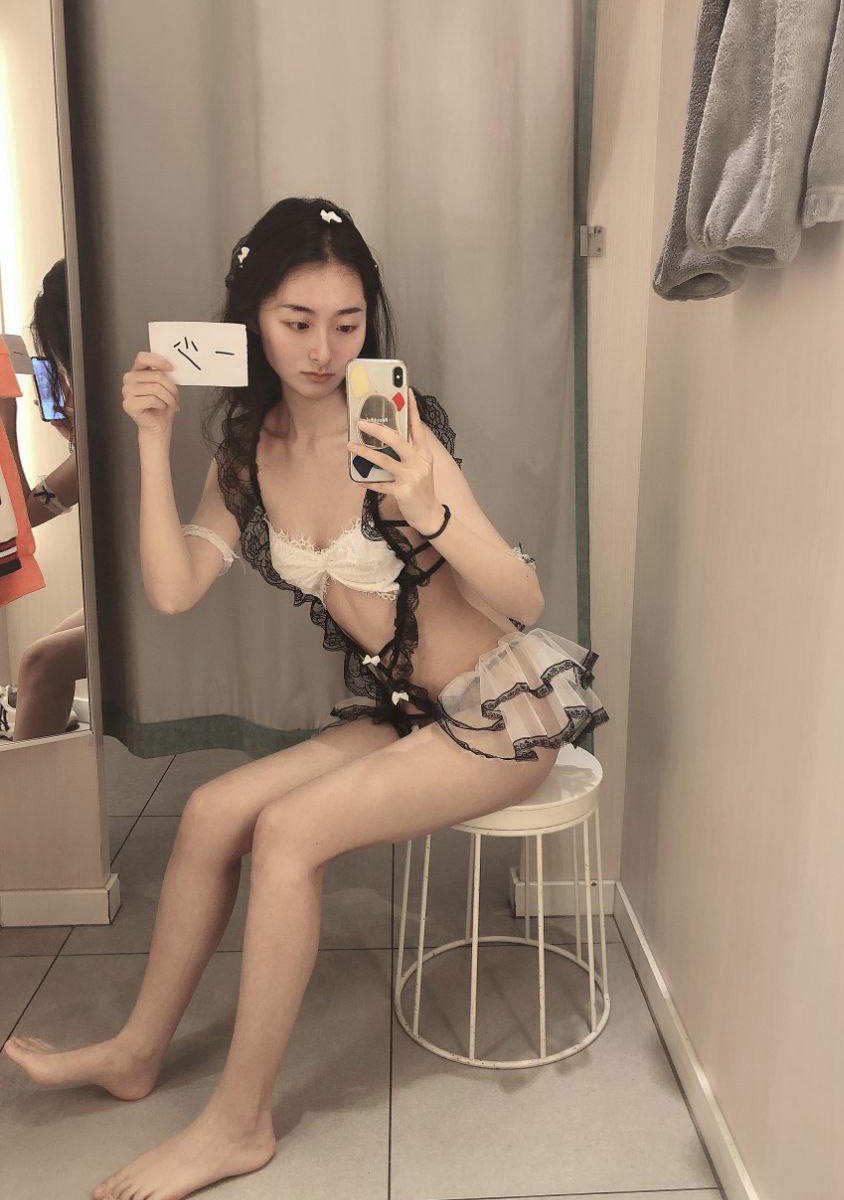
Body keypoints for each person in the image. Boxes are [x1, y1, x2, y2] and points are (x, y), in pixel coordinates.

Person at [2, 196, 609, 1200]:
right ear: (253, 319)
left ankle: (238, 1125)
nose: (324, 351)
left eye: (347, 322)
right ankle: (138, 1051)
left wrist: (431, 508)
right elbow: (172, 588)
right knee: (211, 813)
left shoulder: (400, 432)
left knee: (287, 835)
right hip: (408, 712)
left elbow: (524, 601)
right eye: (297, 322)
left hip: (503, 712)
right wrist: (149, 444)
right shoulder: (248, 455)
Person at [0, 259, 86, 740]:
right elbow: (23, 517)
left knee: (39, 663)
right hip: (136, 595)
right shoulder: (93, 443)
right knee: (36, 662)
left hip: (172, 593)